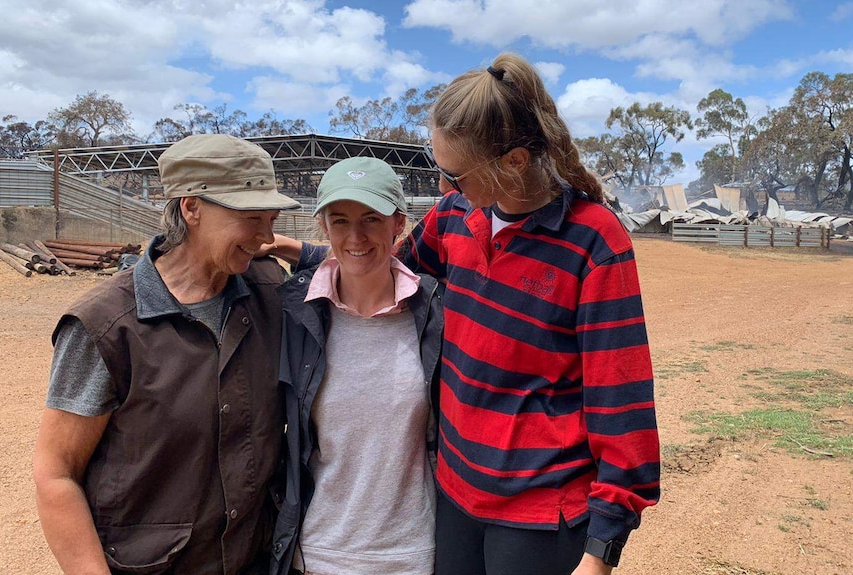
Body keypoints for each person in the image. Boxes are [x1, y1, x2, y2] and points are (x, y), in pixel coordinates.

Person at [266, 53, 660, 575]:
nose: (446, 183)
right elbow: (384, 266)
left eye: (455, 172)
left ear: (515, 162)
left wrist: (601, 549)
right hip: (455, 496)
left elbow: (620, 400)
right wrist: (293, 248)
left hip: (538, 513)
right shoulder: (456, 218)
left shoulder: (593, 241)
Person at [33, 134, 300, 575]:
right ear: (190, 207)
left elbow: (368, 263)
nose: (266, 236)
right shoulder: (106, 326)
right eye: (252, 217)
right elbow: (56, 473)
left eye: (271, 218)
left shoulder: (270, 291)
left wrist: (300, 249)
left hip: (254, 558)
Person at [270, 156, 443, 575]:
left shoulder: (435, 312)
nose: (356, 236)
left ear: (398, 224)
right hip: (317, 553)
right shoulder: (294, 313)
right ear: (324, 227)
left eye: (371, 218)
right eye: (341, 220)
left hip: (411, 554)